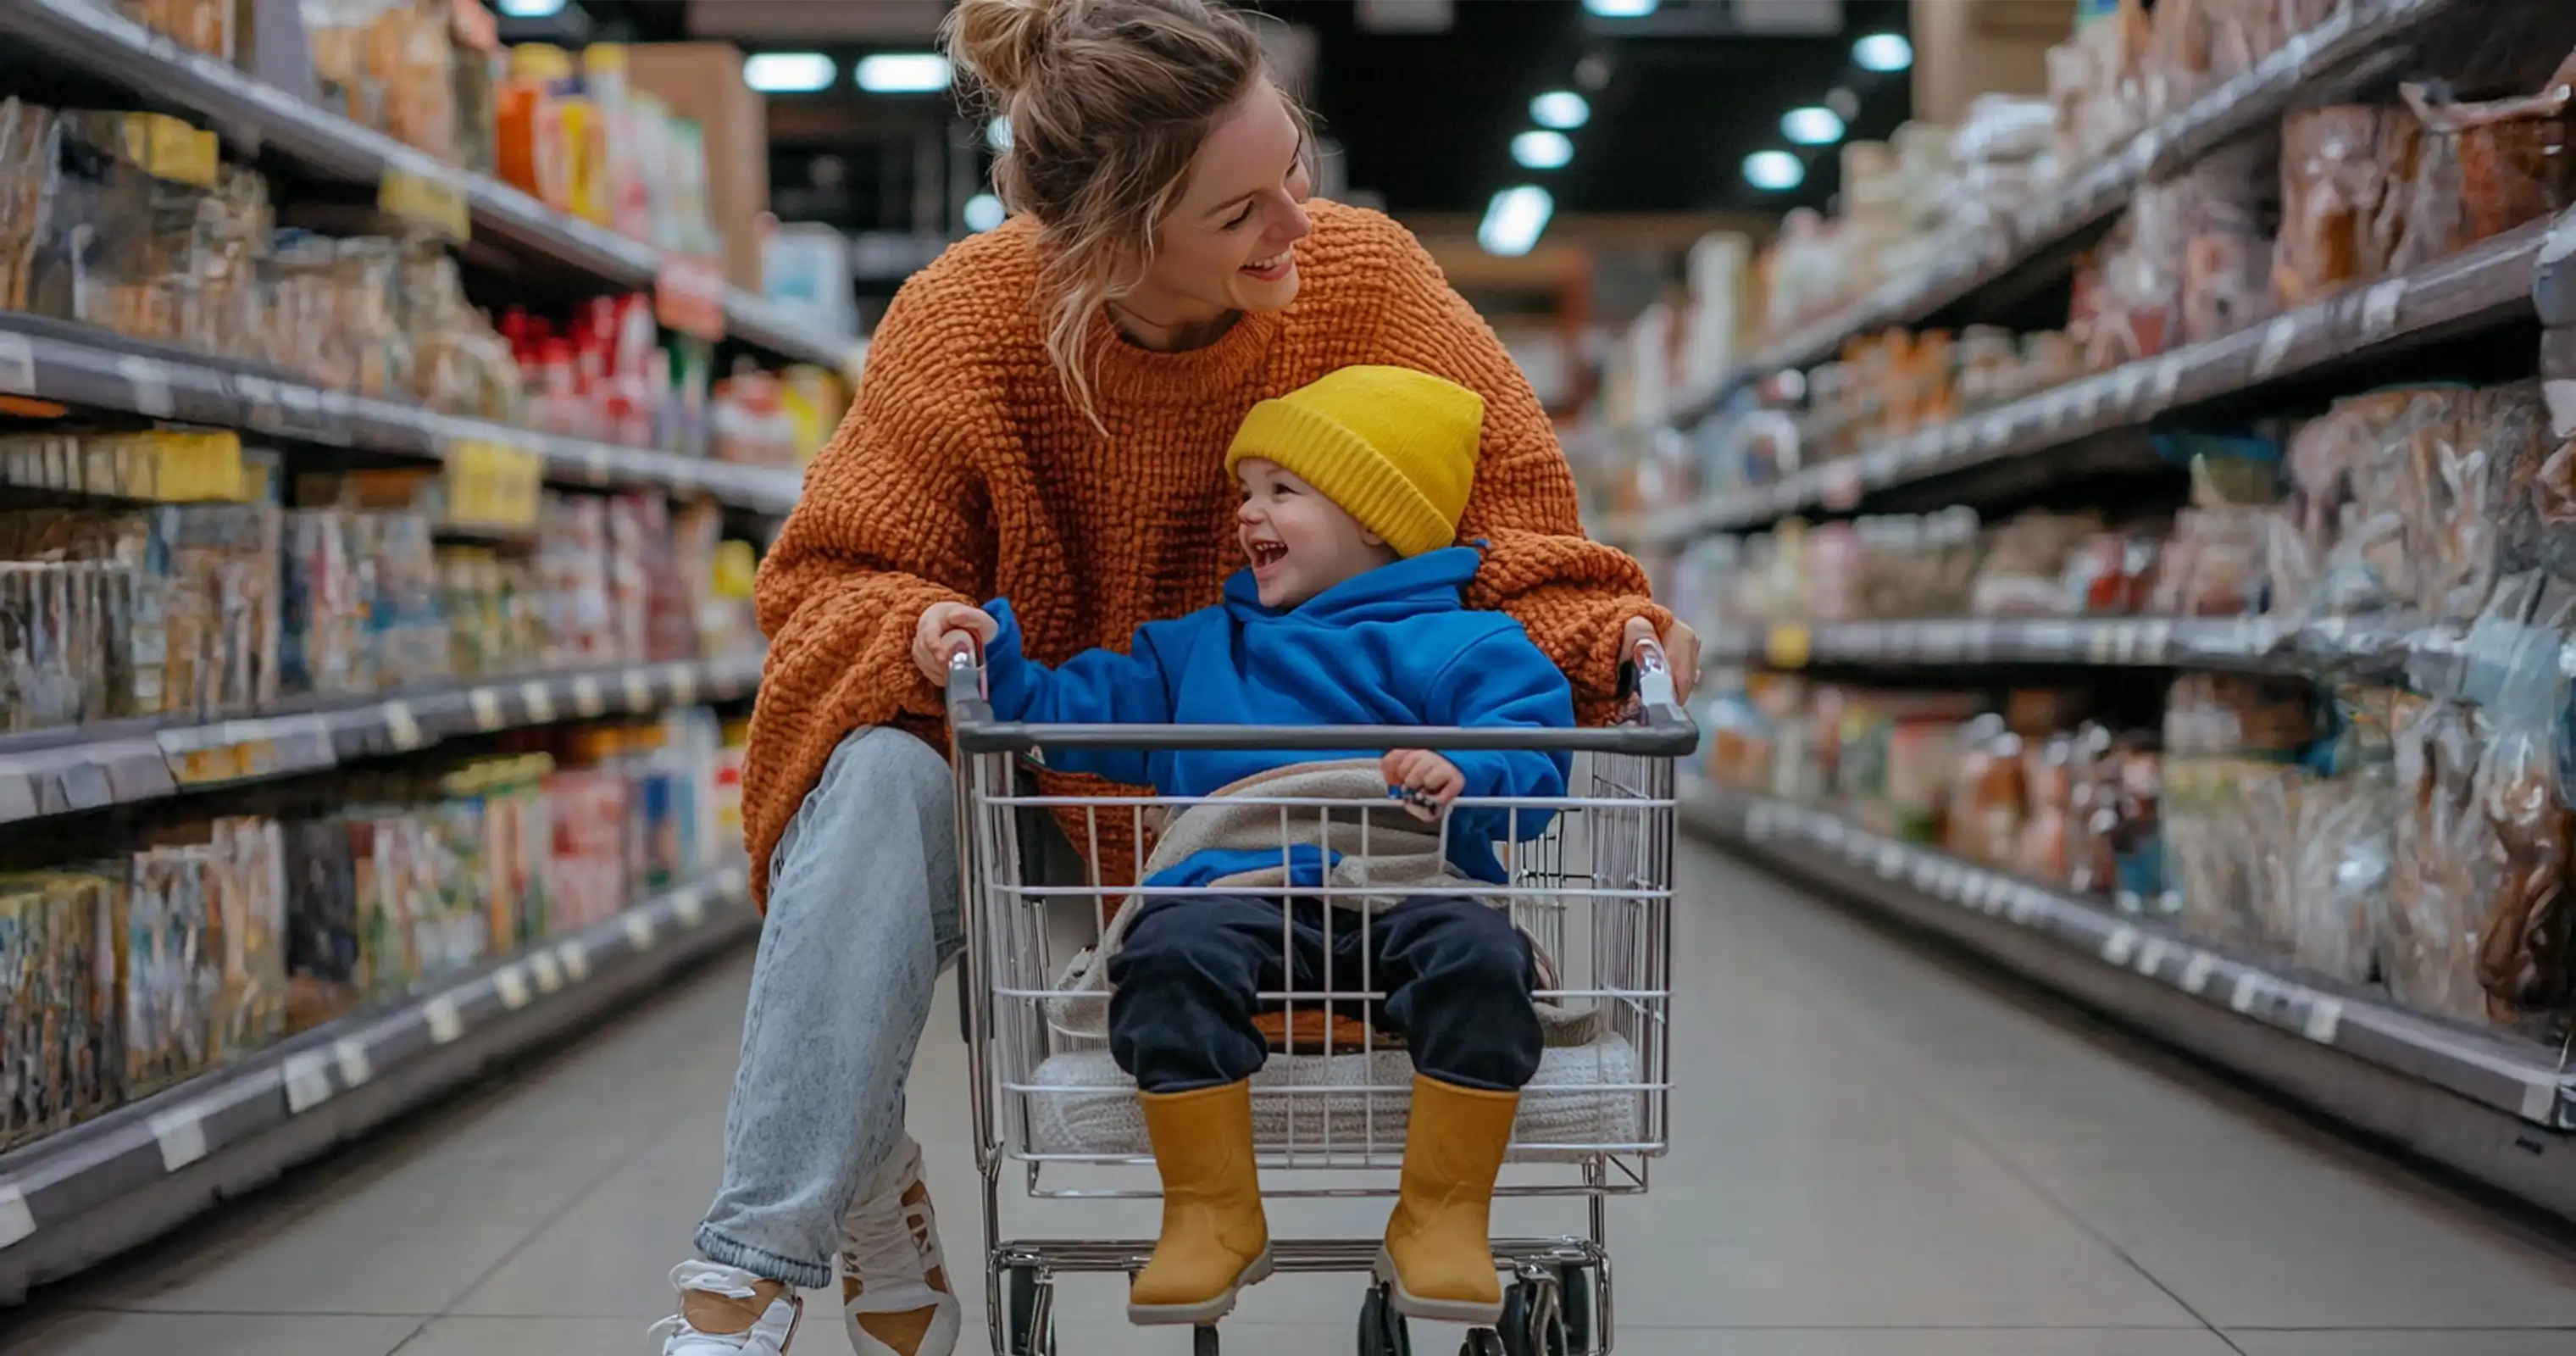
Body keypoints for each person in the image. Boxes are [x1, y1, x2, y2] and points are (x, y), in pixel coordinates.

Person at [653, 0, 1700, 1351]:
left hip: (1354, 823)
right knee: (872, 766)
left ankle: (862, 1168)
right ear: (1110, 239)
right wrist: (924, 625)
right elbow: (831, 582)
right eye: (1241, 211)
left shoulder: (1367, 282)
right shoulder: (968, 327)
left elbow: (1521, 540)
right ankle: (752, 1266)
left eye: (1295, 167)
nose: (1298, 224)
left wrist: (1610, 635)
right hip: (1051, 814)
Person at [914, 364, 1574, 1329]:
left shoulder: (1467, 646)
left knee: (1482, 958)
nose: (1247, 514)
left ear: (1376, 519)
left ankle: (1440, 1215)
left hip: (1406, 882)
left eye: (1282, 490)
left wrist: (1468, 773)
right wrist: (992, 657)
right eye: (1244, 491)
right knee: (1167, 952)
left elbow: (1535, 759)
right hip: (1235, 880)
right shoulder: (1198, 650)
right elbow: (1064, 715)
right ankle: (1211, 1213)